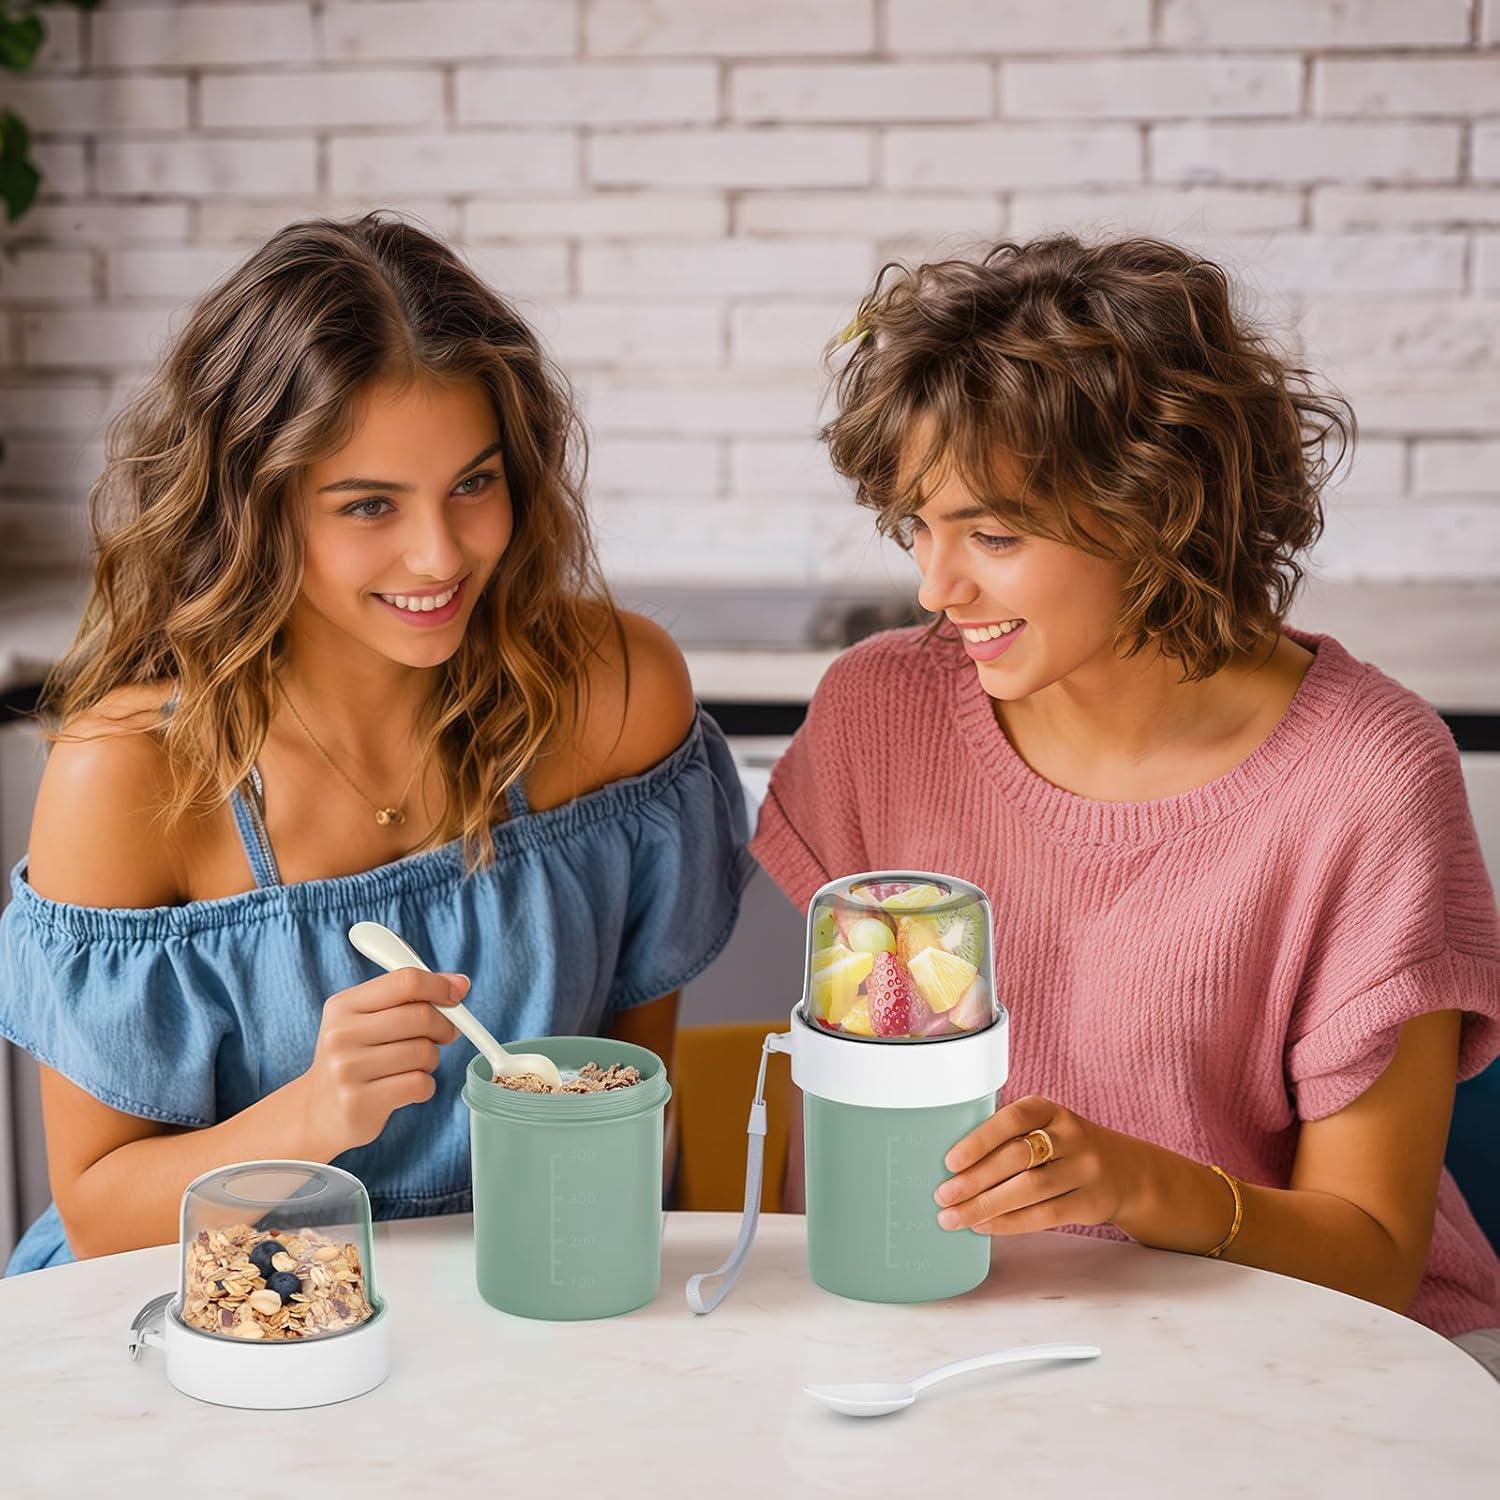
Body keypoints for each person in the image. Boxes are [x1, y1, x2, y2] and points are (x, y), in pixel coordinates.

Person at [751, 235, 1500, 1375]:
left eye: (994, 535)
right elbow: (844, 1120)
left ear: (1159, 512)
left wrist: (1141, 1185)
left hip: (1321, 1360)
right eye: (919, 523)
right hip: (970, 1353)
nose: (935, 587)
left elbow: (1379, 1258)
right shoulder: (878, 716)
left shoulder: (1368, 775)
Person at [1, 212, 751, 1273]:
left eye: (473, 484)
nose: (440, 554)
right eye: (368, 506)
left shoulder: (615, 697)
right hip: (215, 1333)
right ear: (254, 507)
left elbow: (631, 1125)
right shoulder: (131, 775)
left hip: (527, 1300)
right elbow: (99, 1218)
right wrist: (308, 1120)